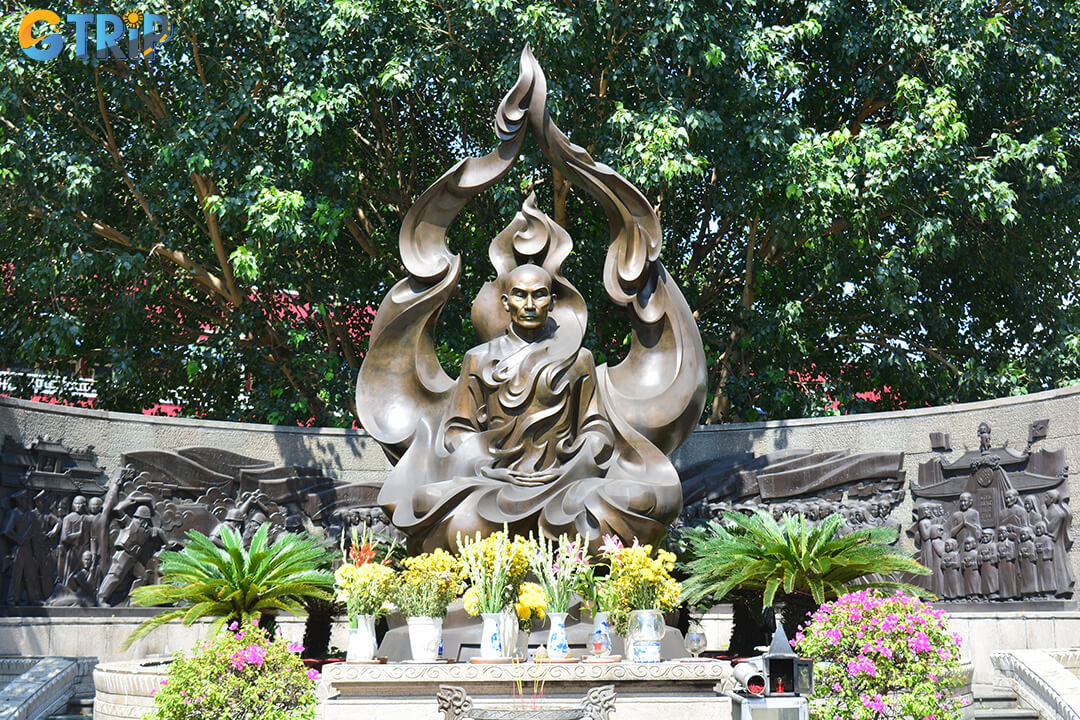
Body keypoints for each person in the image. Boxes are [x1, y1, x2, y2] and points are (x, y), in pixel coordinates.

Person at [379, 262, 682, 551]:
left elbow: (595, 427)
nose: (529, 304)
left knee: (638, 499)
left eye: (538, 295)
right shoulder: (478, 359)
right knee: (429, 503)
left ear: (552, 302)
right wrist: (491, 464)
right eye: (520, 295)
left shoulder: (578, 359)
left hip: (563, 485)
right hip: (495, 484)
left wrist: (575, 462)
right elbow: (457, 431)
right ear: (505, 301)